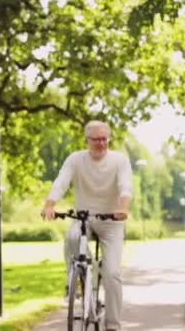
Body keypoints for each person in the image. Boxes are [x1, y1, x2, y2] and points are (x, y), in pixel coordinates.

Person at [42, 120, 133, 331]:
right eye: (96, 139)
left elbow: (125, 186)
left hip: (112, 220)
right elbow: (61, 181)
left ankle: (113, 325)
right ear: (87, 140)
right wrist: (50, 204)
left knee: (112, 274)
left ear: (109, 139)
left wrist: (124, 208)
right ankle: (80, 280)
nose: (101, 143)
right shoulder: (76, 159)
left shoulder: (119, 160)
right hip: (84, 218)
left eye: (104, 139)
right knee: (72, 238)